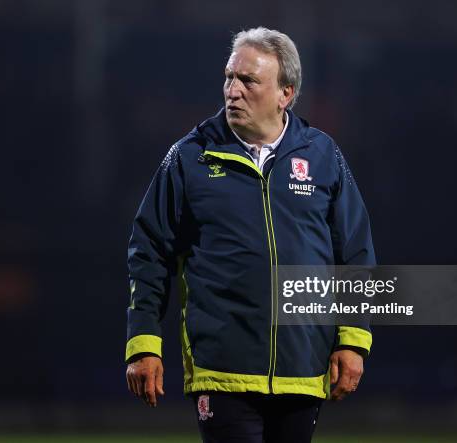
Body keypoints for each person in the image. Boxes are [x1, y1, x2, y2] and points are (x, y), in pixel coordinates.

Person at [125, 27, 375, 443]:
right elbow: (148, 250)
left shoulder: (323, 155)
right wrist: (144, 342)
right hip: (222, 372)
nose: (233, 90)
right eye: (229, 77)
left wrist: (353, 341)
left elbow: (355, 254)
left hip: (304, 371)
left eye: (248, 80)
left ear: (286, 94)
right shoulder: (190, 157)